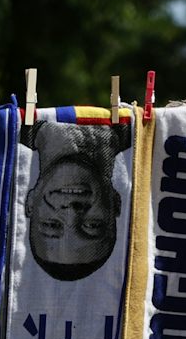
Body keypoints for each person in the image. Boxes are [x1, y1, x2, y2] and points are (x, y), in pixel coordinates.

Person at [20, 119, 124, 281]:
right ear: (116, 202)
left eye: (52, 225)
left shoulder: (4, 131)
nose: (71, 211)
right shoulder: (153, 140)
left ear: (30, 202)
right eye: (92, 225)